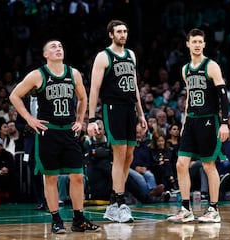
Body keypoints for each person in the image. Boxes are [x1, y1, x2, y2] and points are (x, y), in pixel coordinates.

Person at [9, 39, 100, 233]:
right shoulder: (37, 75)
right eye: (53, 47)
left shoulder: (73, 73)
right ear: (45, 55)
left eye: (60, 46)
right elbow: (14, 95)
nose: (58, 48)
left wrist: (80, 120)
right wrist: (29, 119)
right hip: (48, 132)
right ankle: (56, 219)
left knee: (77, 176)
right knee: (50, 178)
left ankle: (79, 218)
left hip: (69, 131)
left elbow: (83, 98)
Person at [87, 20, 147, 223]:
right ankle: (120, 202)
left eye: (125, 31)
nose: (123, 34)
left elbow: (135, 86)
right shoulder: (103, 56)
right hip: (112, 108)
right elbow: (94, 89)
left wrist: (141, 113)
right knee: (119, 153)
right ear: (111, 34)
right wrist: (92, 117)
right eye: (119, 31)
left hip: (130, 109)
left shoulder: (131, 55)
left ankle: (113, 202)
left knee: (129, 155)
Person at [167, 28, 229, 223]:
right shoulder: (185, 69)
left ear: (204, 44)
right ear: (188, 44)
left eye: (200, 42)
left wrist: (225, 123)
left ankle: (214, 209)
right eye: (193, 41)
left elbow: (223, 96)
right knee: (181, 163)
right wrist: (185, 120)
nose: (197, 45)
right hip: (192, 120)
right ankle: (186, 209)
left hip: (209, 119)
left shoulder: (211, 66)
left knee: (208, 165)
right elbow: (188, 98)